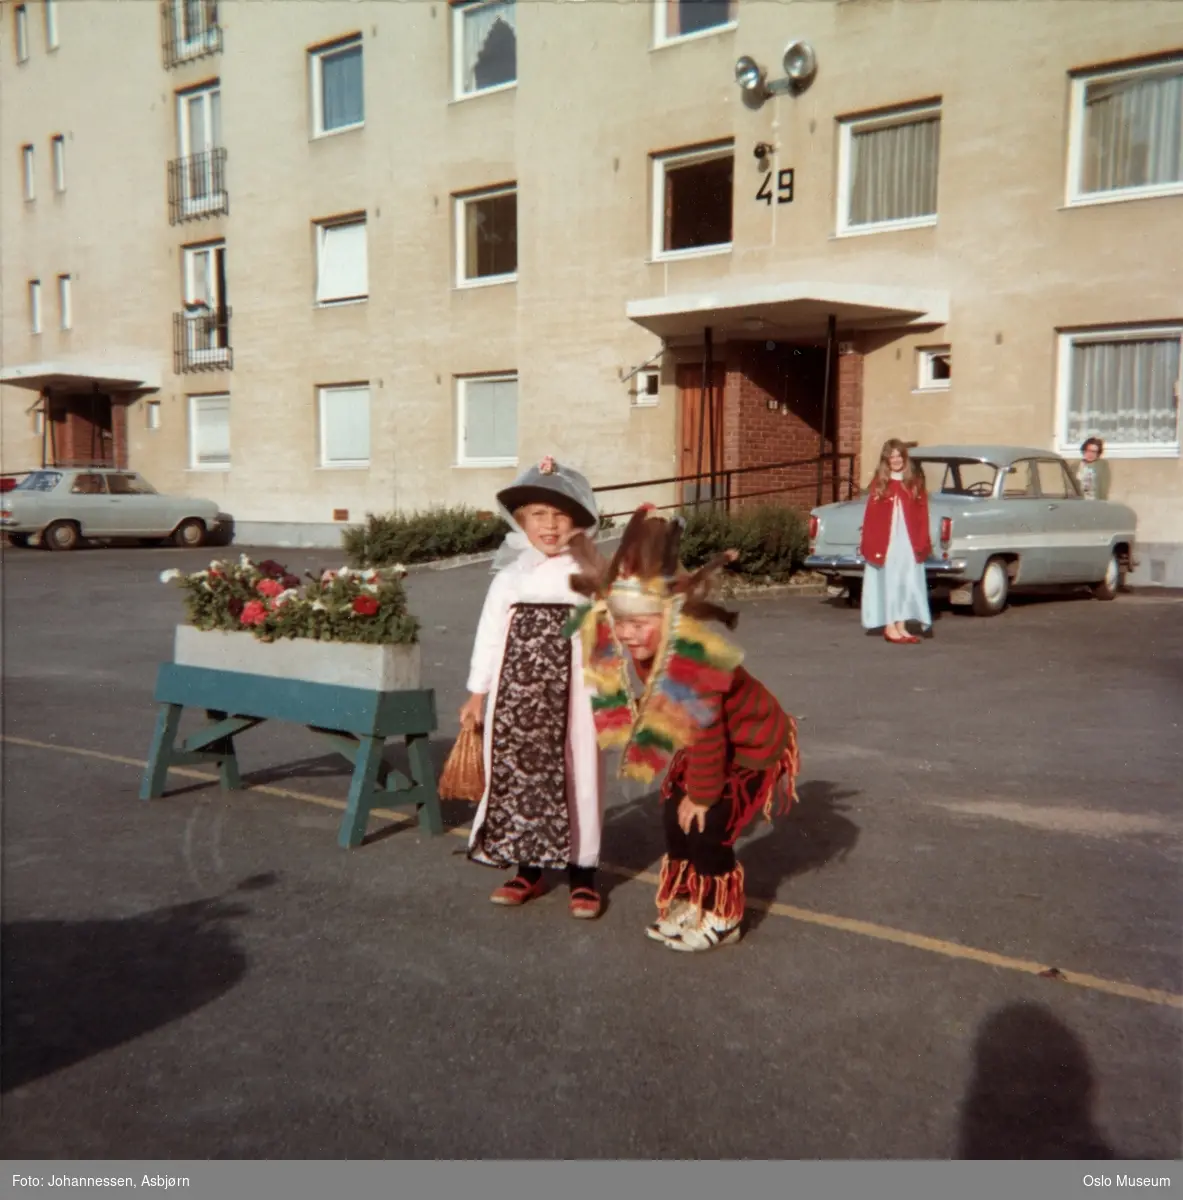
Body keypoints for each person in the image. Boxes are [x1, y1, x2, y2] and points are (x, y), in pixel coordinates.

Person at [564, 505, 800, 953]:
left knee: (708, 822)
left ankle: (723, 914)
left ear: (668, 617)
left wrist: (705, 794)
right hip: (708, 736)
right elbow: (672, 703)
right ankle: (692, 899)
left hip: (750, 744)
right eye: (620, 622)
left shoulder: (692, 660)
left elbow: (707, 731)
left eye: (638, 623)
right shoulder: (652, 646)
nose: (628, 634)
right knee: (674, 813)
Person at [462, 455, 606, 919]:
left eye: (561, 515)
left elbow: (611, 633)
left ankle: (583, 872)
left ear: (579, 522)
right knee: (522, 776)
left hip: (575, 696)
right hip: (517, 699)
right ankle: (529, 867)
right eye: (538, 515)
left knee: (577, 773)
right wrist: (477, 693)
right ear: (521, 521)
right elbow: (488, 636)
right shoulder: (510, 578)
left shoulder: (589, 574)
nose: (549, 526)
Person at [858, 438, 933, 644]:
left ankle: (902, 625)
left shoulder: (914, 483)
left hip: (908, 541)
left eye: (899, 456)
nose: (896, 460)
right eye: (892, 457)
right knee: (889, 580)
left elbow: (922, 514)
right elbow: (871, 516)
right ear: (886, 460)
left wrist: (922, 541)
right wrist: (870, 542)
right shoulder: (880, 484)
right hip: (887, 540)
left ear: (904, 458)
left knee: (905, 580)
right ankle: (890, 625)